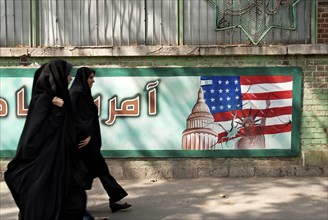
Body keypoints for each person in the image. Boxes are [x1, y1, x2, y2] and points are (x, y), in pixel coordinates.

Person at [4, 59, 87, 219]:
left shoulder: (61, 99)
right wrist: (56, 109)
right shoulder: (44, 100)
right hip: (46, 163)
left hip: (62, 162)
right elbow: (37, 132)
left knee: (73, 200)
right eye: (68, 75)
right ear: (58, 76)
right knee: (43, 202)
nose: (70, 78)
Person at [69, 67, 131, 214]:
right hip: (84, 143)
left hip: (89, 143)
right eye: (90, 78)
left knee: (90, 172)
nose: (93, 80)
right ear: (83, 79)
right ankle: (114, 199)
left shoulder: (83, 93)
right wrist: (86, 134)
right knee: (98, 170)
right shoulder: (76, 94)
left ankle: (114, 200)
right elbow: (73, 118)